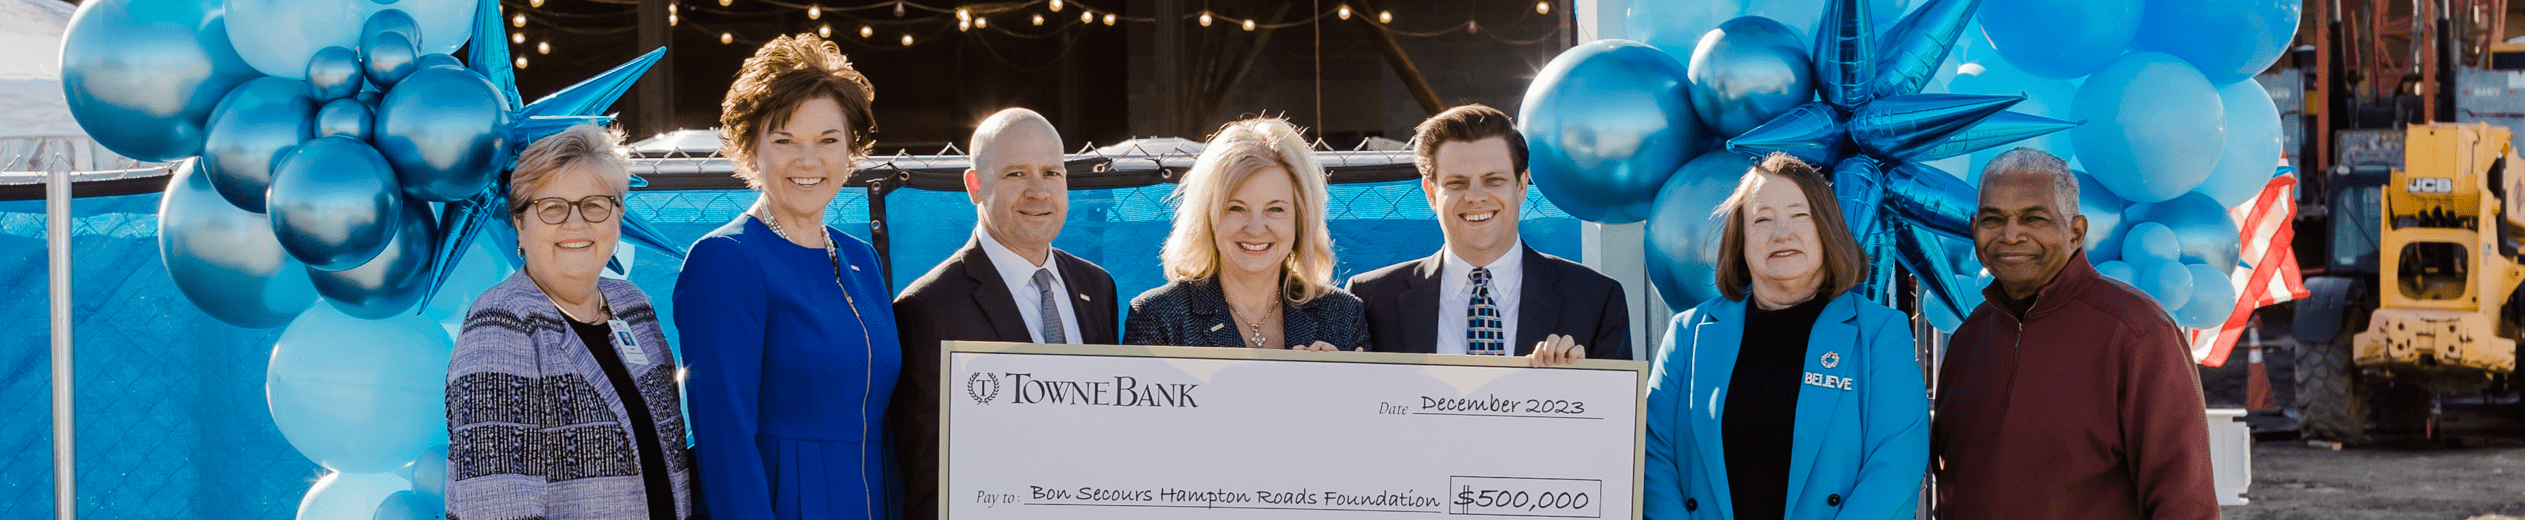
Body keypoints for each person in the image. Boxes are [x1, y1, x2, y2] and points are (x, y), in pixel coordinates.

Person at [673, 33, 901, 520]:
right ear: (751, 151)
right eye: (785, 141)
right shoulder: (725, 259)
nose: (808, 160)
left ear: (850, 152)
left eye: (827, 140)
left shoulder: (862, 259)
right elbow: (724, 439)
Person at [1642, 152, 1930, 520]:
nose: (1782, 233)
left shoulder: (1879, 334)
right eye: (1762, 219)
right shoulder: (1687, 334)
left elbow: (1895, 464)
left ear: (1826, 230)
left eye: (1800, 215)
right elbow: (1654, 459)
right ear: (1741, 241)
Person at [1934, 148, 2217, 519]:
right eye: (1993, 219)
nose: (2011, 235)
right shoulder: (1969, 339)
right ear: (1973, 229)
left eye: (2033, 218)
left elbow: (2184, 504)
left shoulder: (2138, 333)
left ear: (2076, 232)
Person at [447, 123, 693, 520]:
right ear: (520, 223)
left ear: (618, 217)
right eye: (552, 206)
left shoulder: (635, 308)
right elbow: (492, 503)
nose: (575, 223)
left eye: (595, 204)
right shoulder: (501, 323)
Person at [890, 107, 1119, 519]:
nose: (1039, 191)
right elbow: (928, 481)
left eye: (1052, 173)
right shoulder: (927, 309)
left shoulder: (1096, 287)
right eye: (1016, 174)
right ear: (974, 186)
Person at [1347, 104, 1629, 366]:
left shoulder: (1595, 300)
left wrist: (1577, 389)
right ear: (1431, 193)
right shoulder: (1371, 300)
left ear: (1521, 186)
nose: (1476, 197)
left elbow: (1617, 416)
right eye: (1457, 183)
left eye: (1493, 180)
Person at [1124, 117, 1369, 351]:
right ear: (1208, 217)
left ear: (1300, 219)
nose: (1255, 228)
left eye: (1275, 209)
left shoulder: (1343, 315)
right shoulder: (1157, 316)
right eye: (1236, 208)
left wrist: (1339, 382)